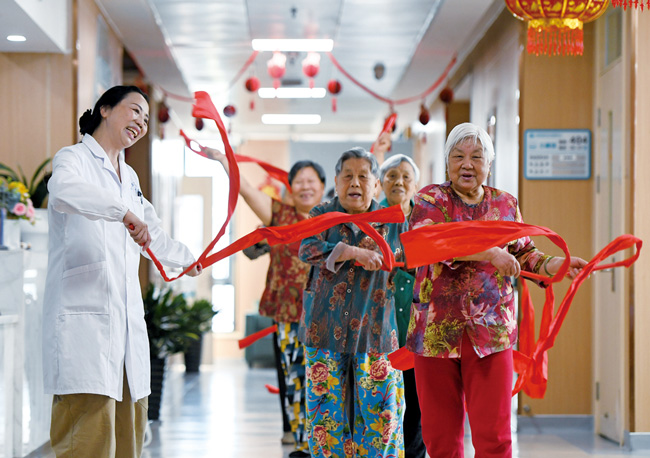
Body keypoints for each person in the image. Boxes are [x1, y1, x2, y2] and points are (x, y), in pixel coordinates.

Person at [406, 122, 587, 458]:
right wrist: (489, 253)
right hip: (435, 331)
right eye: (458, 156)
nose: (467, 164)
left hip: (491, 333)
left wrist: (558, 265)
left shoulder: (505, 204)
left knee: (495, 437)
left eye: (477, 157)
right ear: (447, 161)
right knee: (441, 439)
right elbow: (432, 242)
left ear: (489, 164)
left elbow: (525, 253)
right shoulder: (430, 199)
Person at [43, 85, 202, 458]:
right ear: (105, 109)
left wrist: (186, 259)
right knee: (86, 440)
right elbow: (63, 190)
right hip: (84, 326)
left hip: (127, 329)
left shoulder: (129, 176)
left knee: (129, 437)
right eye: (134, 111)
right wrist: (122, 212)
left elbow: (152, 234)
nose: (141, 123)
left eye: (146, 119)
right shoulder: (73, 158)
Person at [205, 148, 326, 457]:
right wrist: (225, 162)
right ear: (290, 187)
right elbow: (246, 189)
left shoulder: (332, 218)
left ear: (324, 186)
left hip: (326, 314)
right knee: (293, 376)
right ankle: (301, 441)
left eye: (311, 181)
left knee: (324, 378)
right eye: (299, 181)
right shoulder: (280, 215)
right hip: (287, 311)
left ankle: (323, 441)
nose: (305, 187)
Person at [299, 147, 406, 458]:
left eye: (363, 176)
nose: (355, 183)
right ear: (336, 181)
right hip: (324, 329)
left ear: (376, 185)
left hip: (376, 332)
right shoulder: (321, 215)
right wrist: (350, 251)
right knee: (325, 420)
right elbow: (307, 249)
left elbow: (413, 260)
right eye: (348, 176)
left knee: (381, 417)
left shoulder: (393, 221)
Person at [378, 154, 426, 458]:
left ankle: (414, 453)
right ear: (381, 183)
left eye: (406, 176)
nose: (399, 182)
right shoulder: (373, 219)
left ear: (415, 184)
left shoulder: (424, 219)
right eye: (392, 176)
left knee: (418, 398)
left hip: (417, 323)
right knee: (385, 400)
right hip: (381, 325)